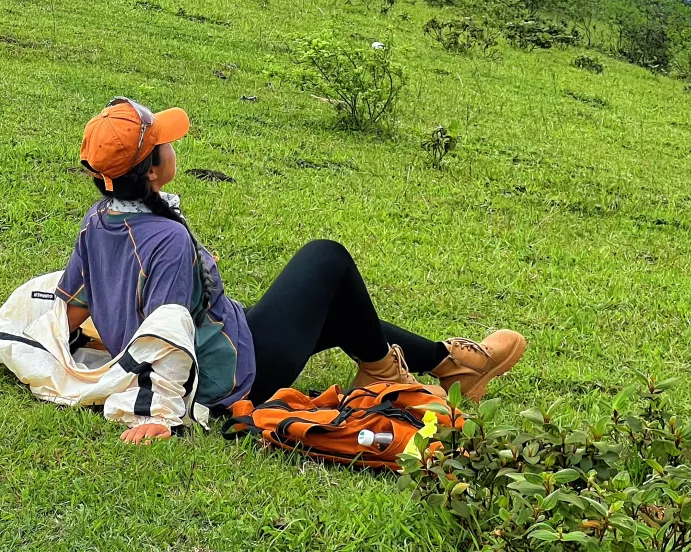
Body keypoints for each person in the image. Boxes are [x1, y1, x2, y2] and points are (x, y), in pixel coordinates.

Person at [61, 97, 527, 444]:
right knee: (326, 258)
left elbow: (72, 305)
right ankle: (399, 372)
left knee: (334, 308)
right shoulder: (167, 239)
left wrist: (24, 350)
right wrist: (156, 416)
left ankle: (448, 364)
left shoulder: (98, 220)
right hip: (232, 376)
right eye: (165, 143)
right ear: (153, 171)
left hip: (225, 335)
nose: (173, 146)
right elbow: (169, 335)